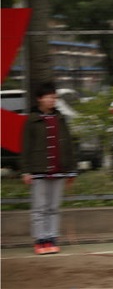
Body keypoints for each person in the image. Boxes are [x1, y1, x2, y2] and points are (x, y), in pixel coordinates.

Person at [20, 82, 77, 255]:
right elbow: (26, 147)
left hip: (58, 169)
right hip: (38, 170)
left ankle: (52, 237)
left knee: (53, 207)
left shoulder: (60, 119)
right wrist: (26, 170)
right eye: (49, 97)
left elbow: (67, 144)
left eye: (54, 97)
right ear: (40, 99)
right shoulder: (31, 120)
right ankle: (40, 239)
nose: (52, 100)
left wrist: (71, 170)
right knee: (39, 207)